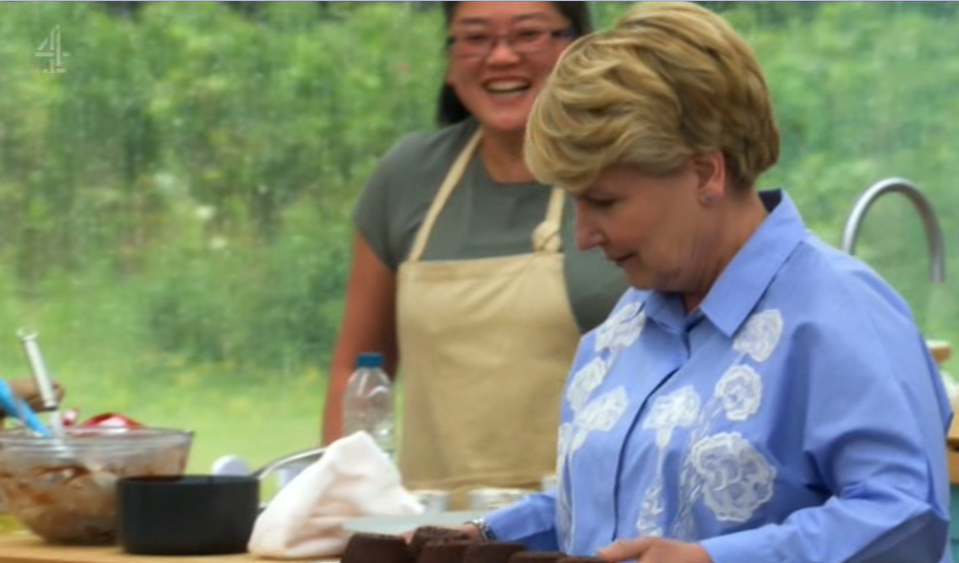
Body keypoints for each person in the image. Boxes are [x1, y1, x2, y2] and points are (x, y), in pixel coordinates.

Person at [462, 2, 953, 562]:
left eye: (603, 201)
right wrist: (487, 537)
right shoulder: (627, 326)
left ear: (705, 172)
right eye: (575, 203)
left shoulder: (838, 316)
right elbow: (606, 508)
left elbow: (905, 515)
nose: (585, 236)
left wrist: (718, 561)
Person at [321, 1, 629, 507]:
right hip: (429, 532)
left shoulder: (626, 173)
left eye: (528, 35)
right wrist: (342, 506)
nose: (501, 57)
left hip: (587, 525)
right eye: (476, 37)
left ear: (579, 47)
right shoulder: (408, 177)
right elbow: (353, 372)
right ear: (449, 59)